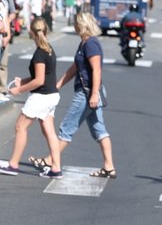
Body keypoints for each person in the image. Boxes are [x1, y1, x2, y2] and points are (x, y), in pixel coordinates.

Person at [33, 12, 116, 179]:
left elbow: (96, 69)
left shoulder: (91, 43)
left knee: (67, 128)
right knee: (99, 130)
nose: (75, 27)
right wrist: (57, 85)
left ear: (82, 25)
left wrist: (93, 94)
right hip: (90, 91)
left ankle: (50, 161)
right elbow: (75, 68)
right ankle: (109, 167)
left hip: (87, 93)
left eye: (77, 24)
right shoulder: (84, 43)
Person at [0, 18, 63, 178]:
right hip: (51, 95)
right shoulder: (49, 49)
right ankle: (56, 169)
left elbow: (39, 80)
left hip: (41, 97)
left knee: (20, 127)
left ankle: (13, 164)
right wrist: (23, 81)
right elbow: (44, 76)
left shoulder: (40, 53)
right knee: (49, 132)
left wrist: (19, 90)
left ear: (32, 32)